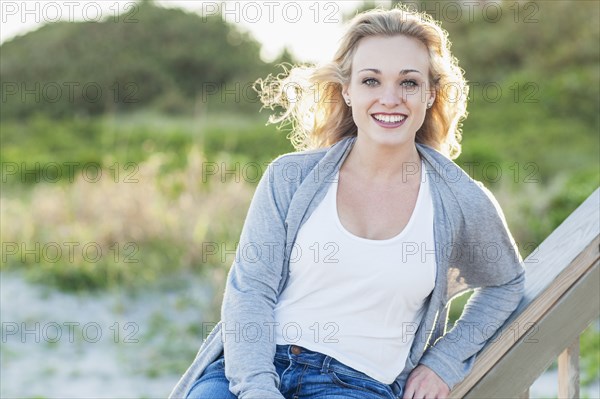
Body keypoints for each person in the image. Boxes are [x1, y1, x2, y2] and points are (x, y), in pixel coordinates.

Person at [170, 6, 525, 399]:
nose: (390, 99)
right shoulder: (290, 178)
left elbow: (505, 283)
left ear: (430, 94)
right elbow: (250, 292)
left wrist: (443, 362)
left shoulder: (459, 199)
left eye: (408, 83)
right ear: (347, 90)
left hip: (355, 385)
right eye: (371, 80)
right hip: (251, 371)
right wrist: (257, 389)